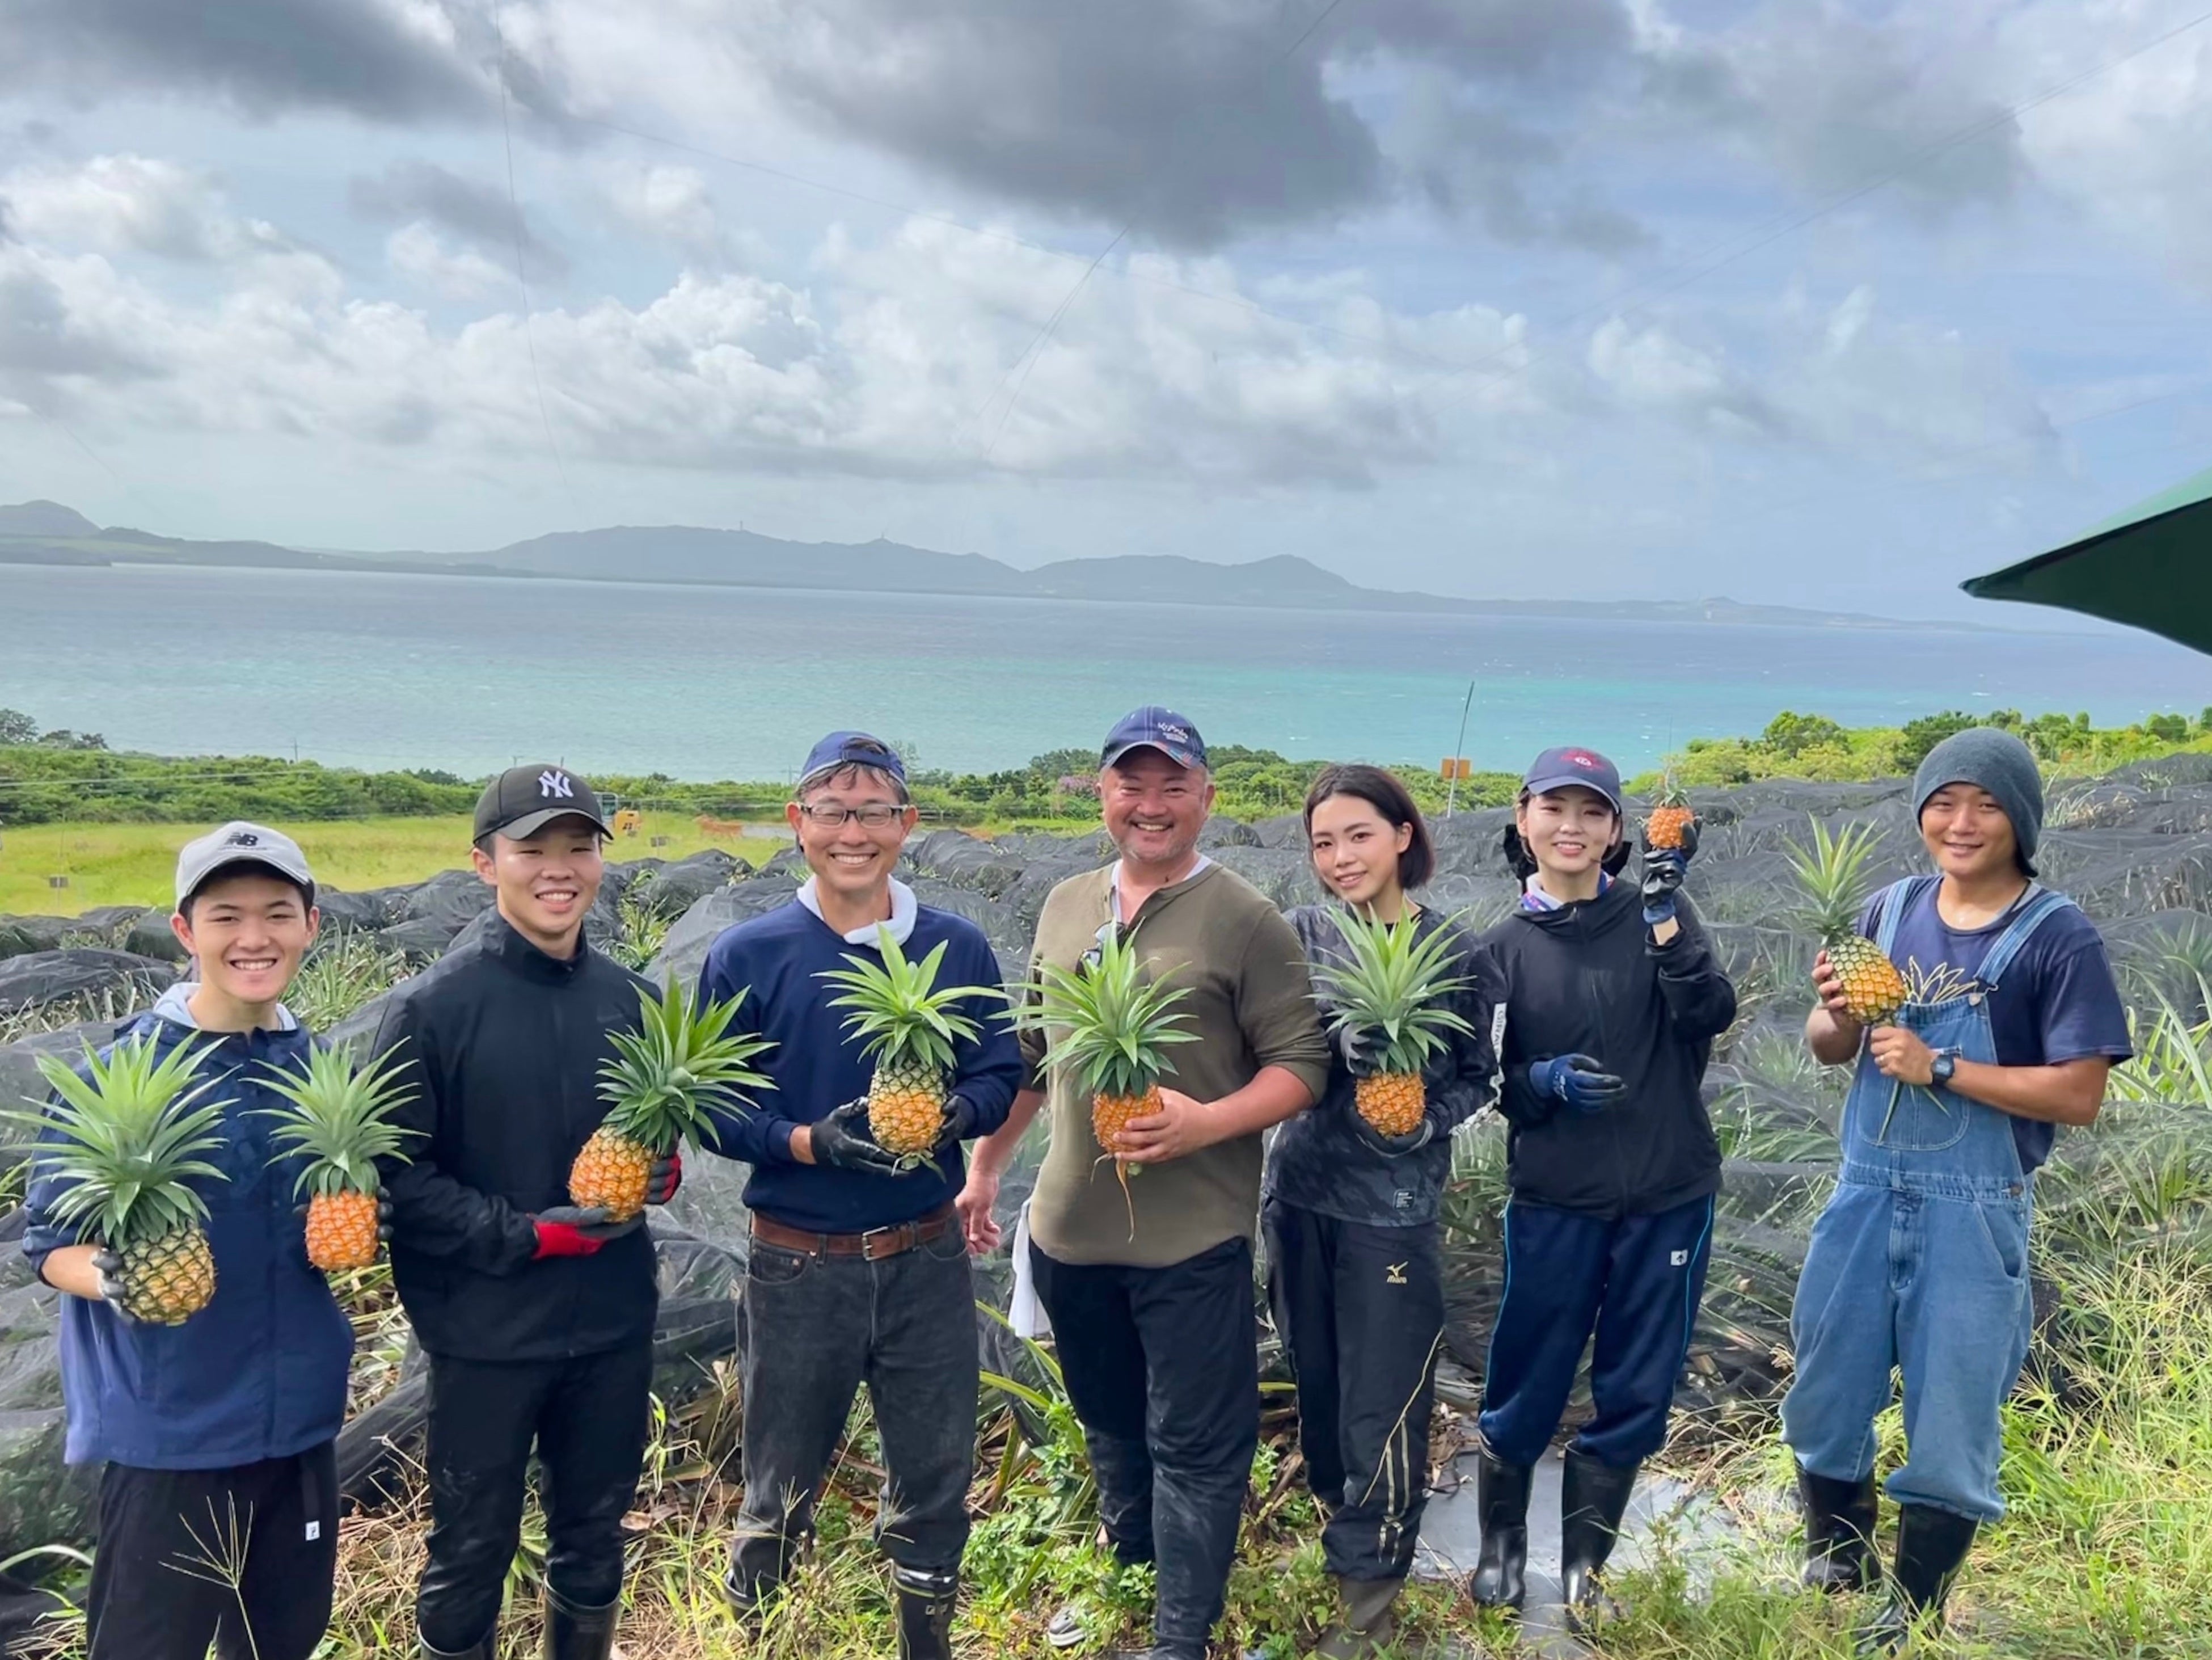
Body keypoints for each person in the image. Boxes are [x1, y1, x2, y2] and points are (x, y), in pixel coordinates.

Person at [960, 706, 1330, 1660]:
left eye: (1175, 785)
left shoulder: (1244, 917)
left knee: (1198, 1444)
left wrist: (1205, 1121)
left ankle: (1180, 1635)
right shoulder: (1067, 902)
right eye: (1134, 783)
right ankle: (1131, 1580)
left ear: (1208, 796)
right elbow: (1038, 1057)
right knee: (1112, 1427)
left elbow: (1302, 1065)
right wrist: (989, 1165)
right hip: (1071, 1234)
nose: (1152, 804)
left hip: (1191, 1239)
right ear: (1103, 794)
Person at [1783, 729, 2128, 1653]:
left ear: (2022, 819)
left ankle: (1915, 1607)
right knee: (1824, 1382)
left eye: (1986, 803)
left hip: (1974, 1210)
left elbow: (2082, 1093)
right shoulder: (1887, 909)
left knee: (1952, 1414)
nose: (1961, 822)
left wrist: (1945, 1066)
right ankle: (1838, 1555)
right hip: (1863, 1192)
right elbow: (1831, 1048)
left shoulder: (2057, 934)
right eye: (1943, 801)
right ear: (1921, 812)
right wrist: (1835, 1011)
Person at [699, 732, 1023, 1660]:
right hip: (799, 1261)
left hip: (924, 1256)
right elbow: (716, 1111)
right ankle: (759, 1637)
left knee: (935, 1474)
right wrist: (808, 1139)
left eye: (875, 810)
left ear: (908, 825)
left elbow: (1001, 1070)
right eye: (833, 810)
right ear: (799, 823)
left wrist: (953, 1110)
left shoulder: (955, 947)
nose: (854, 830)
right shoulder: (749, 953)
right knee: (780, 1478)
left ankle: (928, 1645)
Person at [20, 824, 352, 1660]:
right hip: (171, 1433)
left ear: (311, 924)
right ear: (184, 930)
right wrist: (124, 1277)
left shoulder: (320, 1066)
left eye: (278, 912)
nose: (254, 937)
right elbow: (50, 1243)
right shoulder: (120, 1073)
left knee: (279, 1644)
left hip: (300, 1424)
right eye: (226, 915)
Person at [371, 766, 672, 1660]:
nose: (559, 867)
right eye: (531, 847)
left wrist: (659, 1168)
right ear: (483, 861)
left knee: (596, 1534)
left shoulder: (635, 1000)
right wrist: (529, 1234)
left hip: (613, 1322)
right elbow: (401, 1179)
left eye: (578, 846)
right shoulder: (431, 1008)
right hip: (486, 1334)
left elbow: (652, 1129)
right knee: (470, 1548)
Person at [1470, 746, 1736, 1621]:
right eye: (1555, 808)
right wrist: (1540, 1083)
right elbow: (1487, 1079)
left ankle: (1587, 1566)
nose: (1572, 827)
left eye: (1592, 812)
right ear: (1523, 819)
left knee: (1637, 1381)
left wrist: (1664, 914)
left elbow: (1709, 1011)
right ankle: (1503, 1550)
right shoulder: (1500, 952)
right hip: (1555, 1198)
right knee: (1526, 1373)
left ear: (1618, 831)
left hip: (1668, 1192)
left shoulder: (1658, 916)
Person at [1265, 765, 1500, 1658]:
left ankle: (1369, 1610)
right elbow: (1272, 1052)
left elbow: (1483, 1075)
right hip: (1298, 1198)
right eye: (1323, 841)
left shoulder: (1457, 951)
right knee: (1319, 1390)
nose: (1339, 856)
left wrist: (1425, 1119)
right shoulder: (1304, 936)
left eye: (1358, 833)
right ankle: (1342, 1547)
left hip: (1393, 1212)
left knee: (1385, 1406)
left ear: (1403, 834)